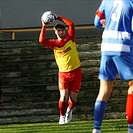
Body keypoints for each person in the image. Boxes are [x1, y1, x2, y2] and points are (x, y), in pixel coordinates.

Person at [92, 0, 133, 133]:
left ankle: (96, 129)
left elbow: (97, 22)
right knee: (132, 86)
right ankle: (131, 127)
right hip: (123, 45)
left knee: (103, 90)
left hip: (106, 46)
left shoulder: (106, 1)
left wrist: (108, 24)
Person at [39, 11, 82, 125]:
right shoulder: (53, 44)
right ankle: (62, 116)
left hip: (76, 71)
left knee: (73, 99)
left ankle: (69, 110)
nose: (61, 31)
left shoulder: (70, 38)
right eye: (58, 30)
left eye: (62, 30)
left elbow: (71, 24)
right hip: (63, 74)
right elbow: (41, 41)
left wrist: (58, 17)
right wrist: (44, 26)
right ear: (56, 32)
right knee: (63, 97)